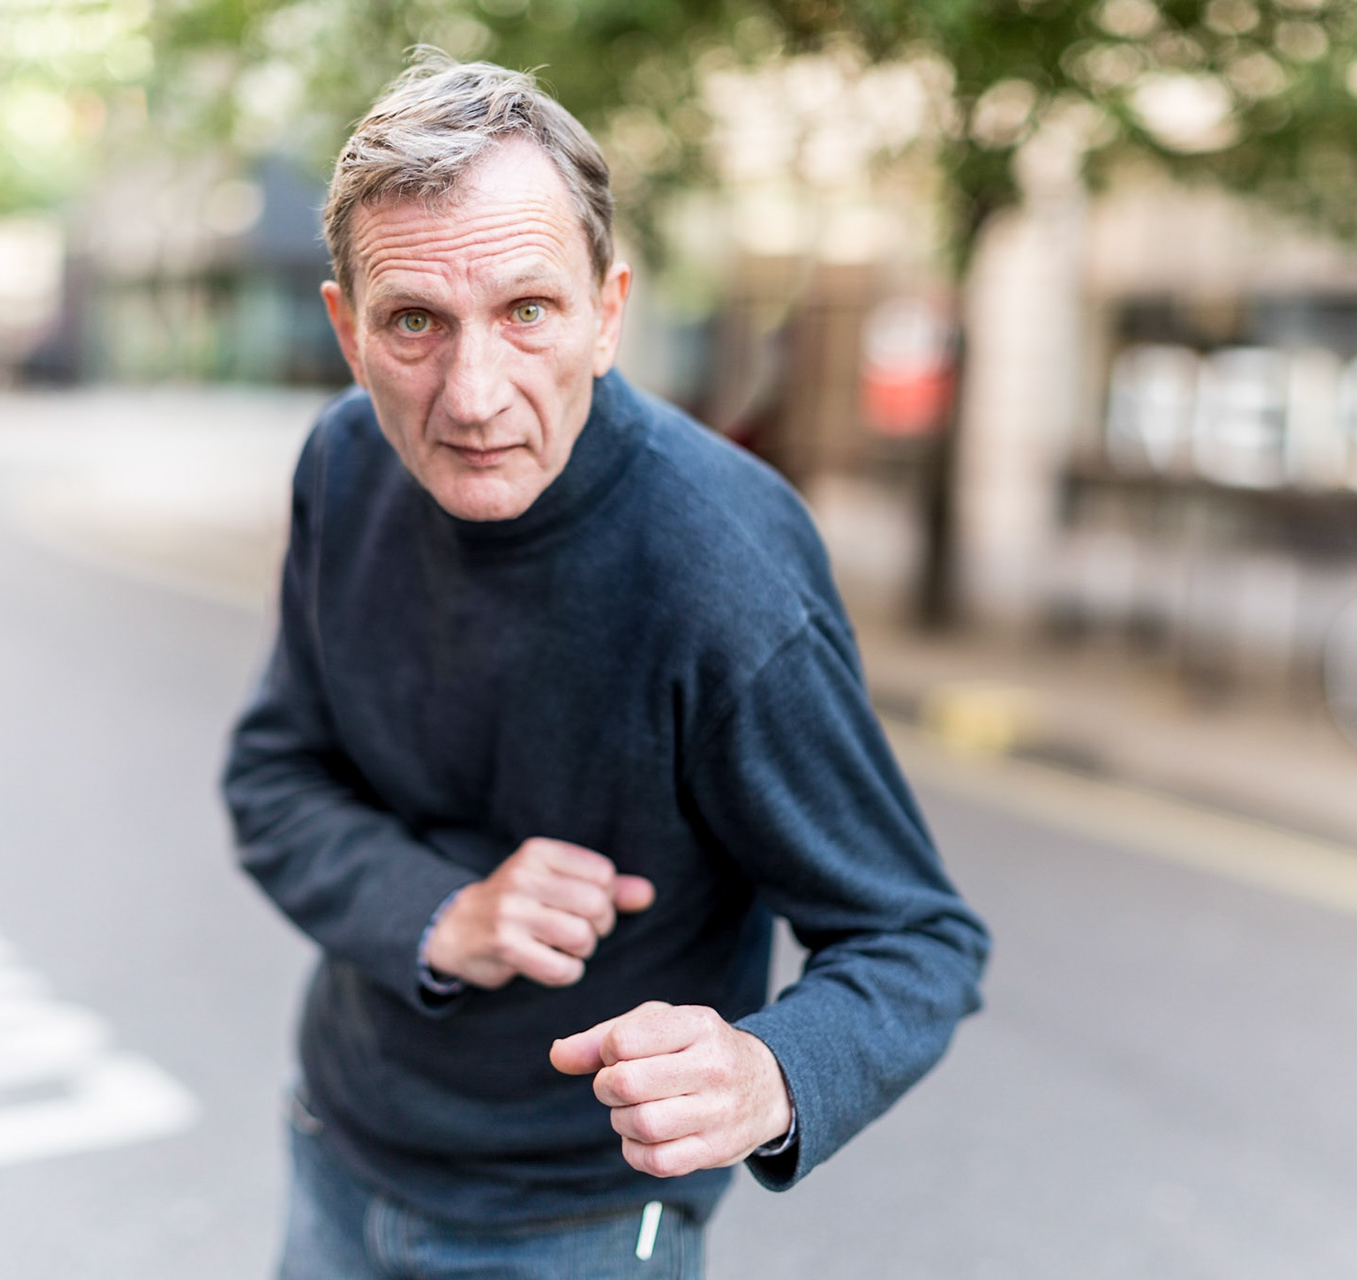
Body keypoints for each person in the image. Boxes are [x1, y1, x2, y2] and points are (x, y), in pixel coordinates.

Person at [222, 50, 989, 1280]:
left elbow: (917, 938)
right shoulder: (343, 464)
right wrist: (443, 915)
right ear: (346, 331)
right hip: (338, 1142)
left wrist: (769, 1072)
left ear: (608, 311)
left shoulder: (724, 573)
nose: (473, 396)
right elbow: (274, 776)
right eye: (415, 320)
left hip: (576, 1226)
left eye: (527, 311)